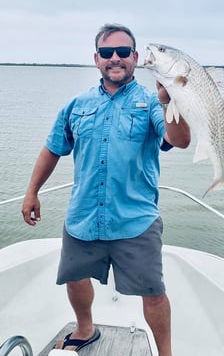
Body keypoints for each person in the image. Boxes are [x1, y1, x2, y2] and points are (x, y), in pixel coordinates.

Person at [21, 23, 191, 356]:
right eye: (107, 52)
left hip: (136, 220)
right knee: (74, 277)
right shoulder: (76, 104)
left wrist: (170, 101)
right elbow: (53, 148)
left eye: (124, 52)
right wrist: (32, 192)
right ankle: (85, 329)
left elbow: (180, 140)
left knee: (154, 293)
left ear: (136, 58)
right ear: (96, 59)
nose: (116, 58)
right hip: (83, 215)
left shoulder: (152, 101)